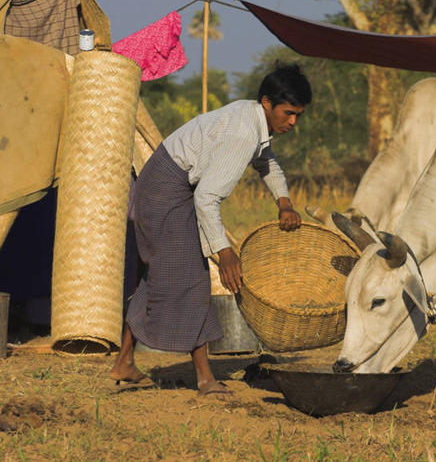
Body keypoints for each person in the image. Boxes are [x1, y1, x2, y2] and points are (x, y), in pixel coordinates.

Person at [110, 64, 311, 395]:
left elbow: (266, 160)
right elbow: (206, 197)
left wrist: (285, 202)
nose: (292, 122)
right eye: (288, 113)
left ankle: (124, 362)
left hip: (164, 186)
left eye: (298, 115)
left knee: (159, 276)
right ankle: (204, 377)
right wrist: (226, 252)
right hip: (165, 193)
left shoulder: (252, 119)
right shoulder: (244, 133)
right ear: (266, 103)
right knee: (194, 279)